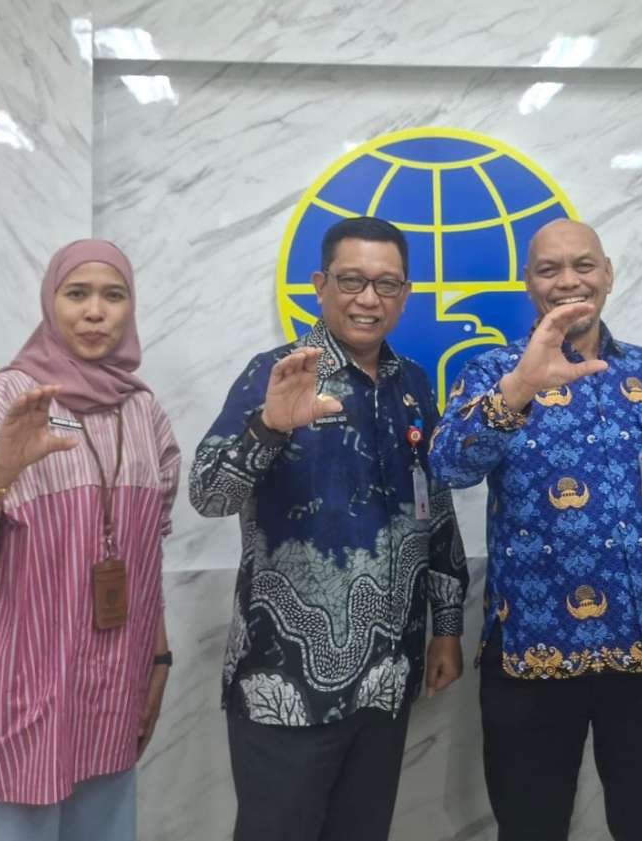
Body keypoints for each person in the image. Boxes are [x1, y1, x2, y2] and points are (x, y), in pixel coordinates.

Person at [428, 218, 642, 841]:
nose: (569, 281)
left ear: (608, 274)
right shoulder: (493, 371)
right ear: (529, 284)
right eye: (549, 270)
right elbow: (448, 466)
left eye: (583, 265)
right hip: (531, 656)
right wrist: (519, 390)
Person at [189, 215, 469, 841]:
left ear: (405, 294)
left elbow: (437, 510)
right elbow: (208, 494)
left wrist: (447, 628)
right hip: (284, 687)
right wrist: (268, 428)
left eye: (386, 284)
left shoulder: (412, 384)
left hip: (386, 681)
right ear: (320, 285)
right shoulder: (276, 373)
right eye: (351, 281)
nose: (369, 299)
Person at [0, 239, 180, 841]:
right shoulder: (2, 405)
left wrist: (157, 657)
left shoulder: (143, 411)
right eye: (76, 293)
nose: (95, 312)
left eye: (113, 295)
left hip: (110, 692)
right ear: (50, 302)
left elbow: (148, 547)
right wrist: (1, 471)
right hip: (15, 690)